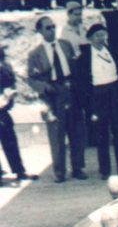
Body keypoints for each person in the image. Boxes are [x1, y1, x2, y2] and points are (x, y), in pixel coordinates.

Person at [27, 16, 86, 183]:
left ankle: (78, 168)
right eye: (48, 28)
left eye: (53, 26)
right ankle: (60, 171)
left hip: (70, 89)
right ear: (40, 31)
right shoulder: (35, 54)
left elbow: (75, 66)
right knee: (57, 134)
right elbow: (31, 78)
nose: (52, 30)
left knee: (76, 131)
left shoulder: (65, 45)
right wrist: (44, 87)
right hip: (53, 93)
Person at [75, 23, 118, 179]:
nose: (101, 39)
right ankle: (105, 170)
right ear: (90, 39)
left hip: (115, 93)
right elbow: (81, 82)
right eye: (97, 36)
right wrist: (88, 103)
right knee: (102, 134)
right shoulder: (84, 58)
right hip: (97, 96)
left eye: (103, 35)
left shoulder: (112, 51)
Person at [1, 45, 37, 187]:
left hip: (2, 109)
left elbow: (11, 85)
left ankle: (19, 171)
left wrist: (8, 97)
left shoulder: (5, 68)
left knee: (10, 140)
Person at [58, 1, 91, 148]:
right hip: (74, 71)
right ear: (69, 15)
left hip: (86, 71)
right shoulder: (64, 33)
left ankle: (92, 137)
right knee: (77, 107)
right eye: (76, 15)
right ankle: (79, 139)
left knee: (90, 103)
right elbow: (65, 54)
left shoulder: (83, 29)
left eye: (80, 14)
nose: (79, 17)